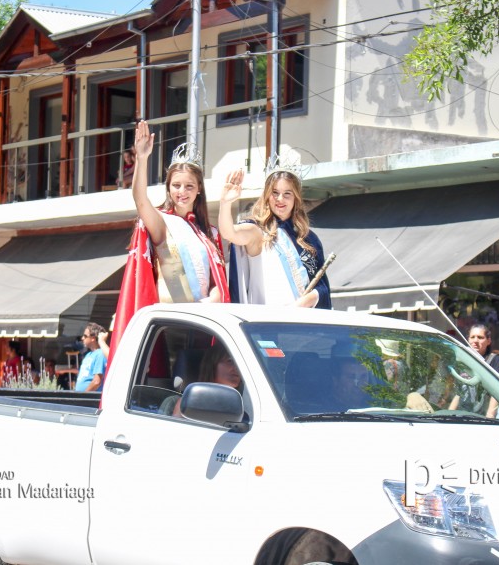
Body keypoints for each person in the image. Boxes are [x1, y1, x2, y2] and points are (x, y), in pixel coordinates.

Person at [109, 121, 230, 354]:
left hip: (205, 325)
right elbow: (140, 199)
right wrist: (142, 158)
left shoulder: (209, 233)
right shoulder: (162, 222)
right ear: (168, 188)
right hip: (172, 326)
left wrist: (211, 302)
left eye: (189, 186)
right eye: (176, 185)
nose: (182, 192)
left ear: (199, 189)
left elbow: (218, 283)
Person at [220, 160, 332, 308]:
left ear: (296, 198)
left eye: (287, 194)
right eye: (275, 193)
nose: (280, 199)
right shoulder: (258, 231)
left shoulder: (309, 238)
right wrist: (225, 203)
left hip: (302, 318)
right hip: (268, 319)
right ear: (267, 195)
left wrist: (307, 300)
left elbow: (322, 286)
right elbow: (229, 233)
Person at [75, 323, 108, 392]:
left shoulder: (100, 354)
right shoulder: (88, 355)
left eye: (85, 336)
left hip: (89, 397)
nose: (82, 338)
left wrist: (83, 395)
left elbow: (97, 382)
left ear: (93, 338)